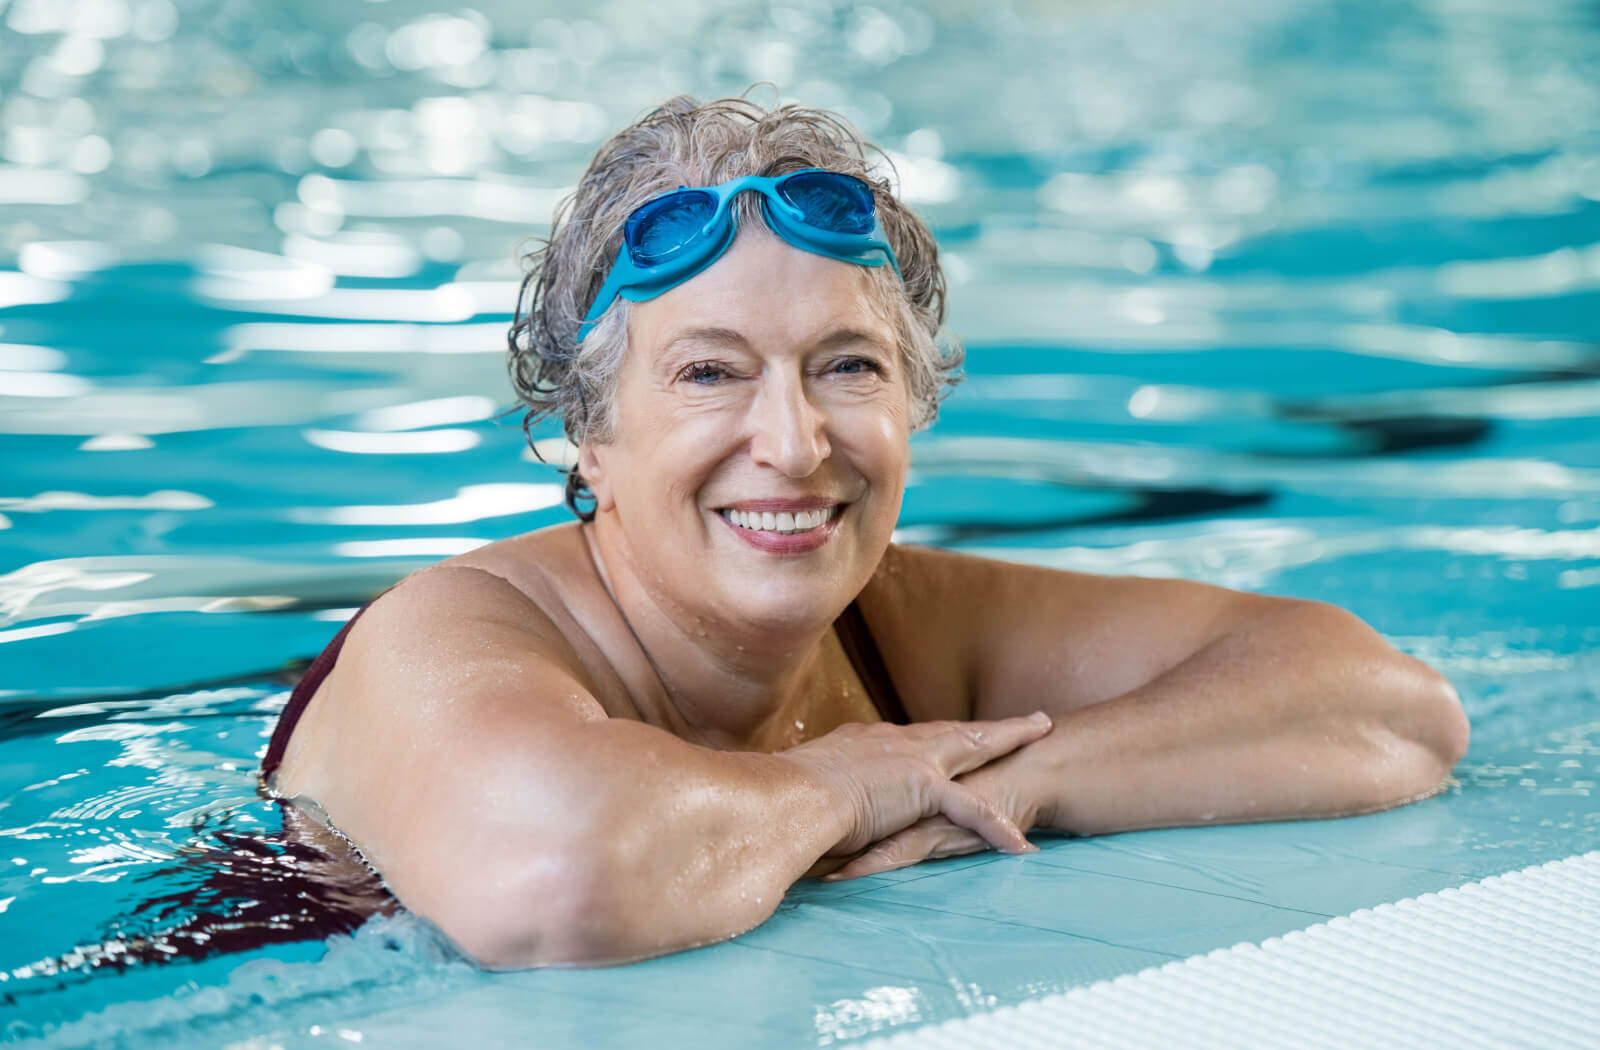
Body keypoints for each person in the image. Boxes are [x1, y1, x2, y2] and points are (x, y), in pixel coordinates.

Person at [261, 94, 1470, 970]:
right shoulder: (451, 635)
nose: (792, 444)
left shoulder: (894, 625)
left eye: (846, 366)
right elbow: (567, 881)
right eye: (707, 374)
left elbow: (1386, 708)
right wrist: (845, 781)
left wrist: (1023, 779)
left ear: (913, 401)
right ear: (589, 434)